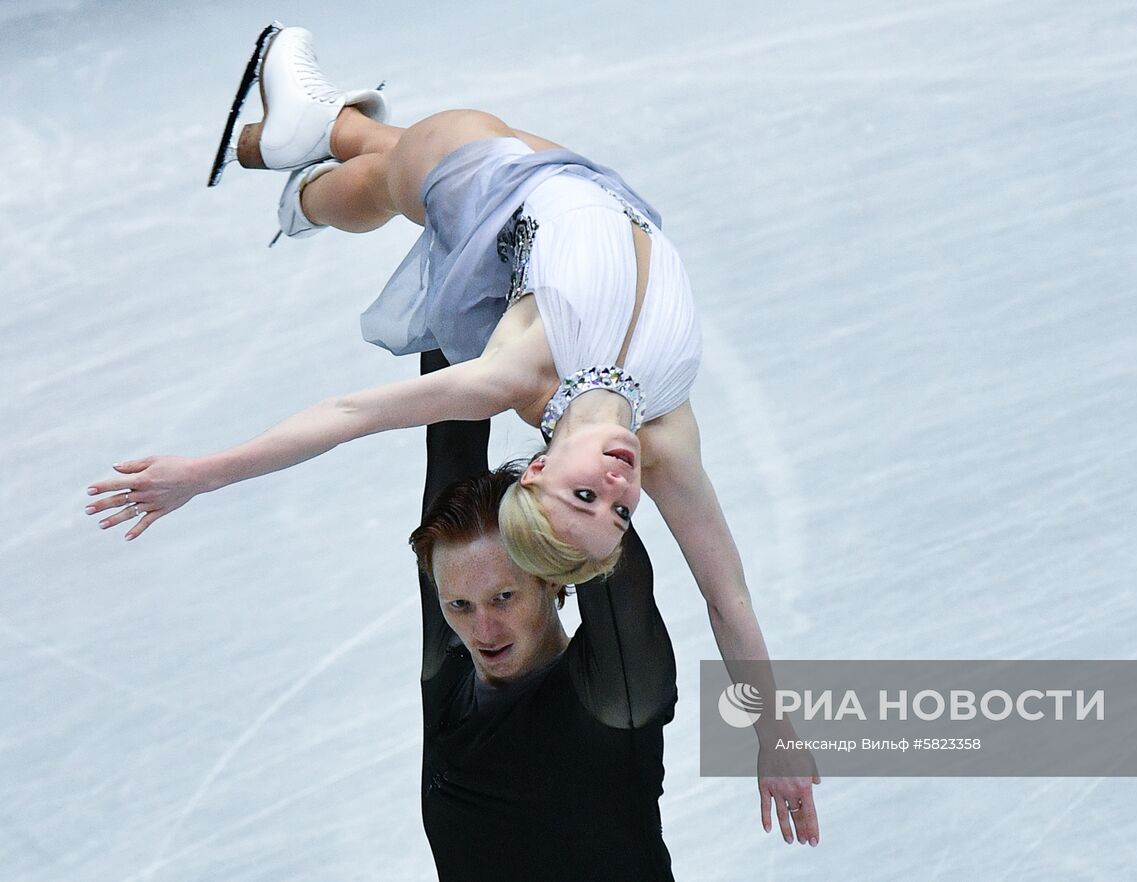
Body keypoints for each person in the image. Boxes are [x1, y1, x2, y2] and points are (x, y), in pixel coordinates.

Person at [84, 22, 819, 841]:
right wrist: (775, 733)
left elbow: (348, 415)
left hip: (496, 200)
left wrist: (204, 473)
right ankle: (309, 144)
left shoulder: (510, 376)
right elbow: (730, 596)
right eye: (616, 510)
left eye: (586, 494)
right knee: (396, 152)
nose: (617, 485)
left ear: (537, 470)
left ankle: (307, 178)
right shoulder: (664, 440)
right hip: (603, 194)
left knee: (421, 164)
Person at [410, 433, 676, 878]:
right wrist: (450, 360)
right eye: (459, 605)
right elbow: (452, 440)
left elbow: (590, 513)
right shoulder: (451, 672)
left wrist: (572, 392)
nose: (482, 631)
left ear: (552, 576)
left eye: (503, 597)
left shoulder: (612, 696)